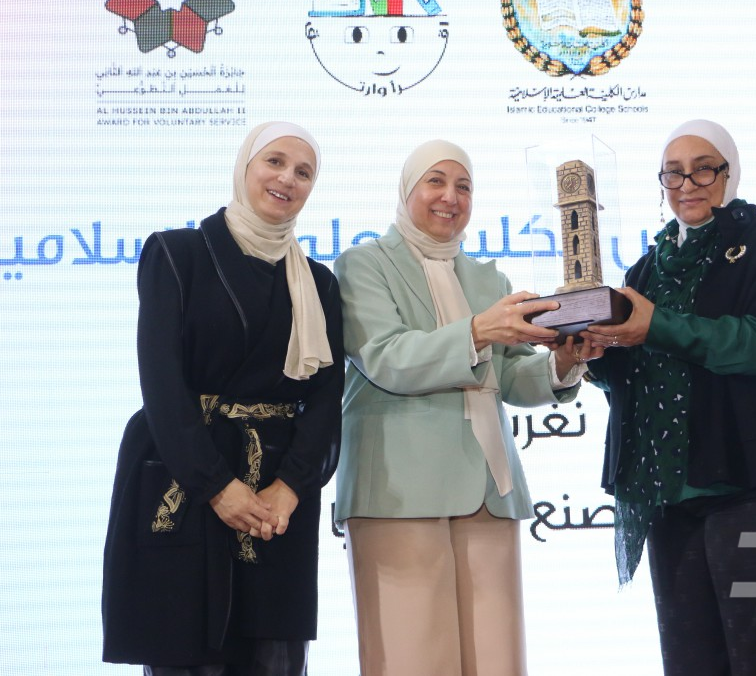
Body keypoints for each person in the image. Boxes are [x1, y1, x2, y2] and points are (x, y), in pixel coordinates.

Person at [333, 139, 601, 676]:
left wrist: (563, 363)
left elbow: (508, 376)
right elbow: (386, 358)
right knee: (412, 661)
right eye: (435, 181)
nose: (450, 197)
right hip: (399, 492)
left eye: (464, 186)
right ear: (407, 189)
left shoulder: (488, 280)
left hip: (488, 489)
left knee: (497, 660)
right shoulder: (362, 265)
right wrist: (479, 330)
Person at [581, 119, 756, 676]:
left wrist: (658, 326)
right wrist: (591, 353)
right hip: (670, 497)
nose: (687, 184)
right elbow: (636, 375)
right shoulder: (646, 270)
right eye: (673, 173)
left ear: (729, 173)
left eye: (703, 169)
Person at [101, 122, 344, 675]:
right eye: (274, 162)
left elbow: (326, 399)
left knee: (274, 656)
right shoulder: (176, 253)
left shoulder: (320, 284)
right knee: (188, 650)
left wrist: (291, 487)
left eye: (304, 172)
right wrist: (216, 486)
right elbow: (161, 384)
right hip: (184, 476)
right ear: (244, 167)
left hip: (276, 497)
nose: (288, 178)